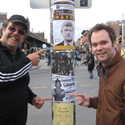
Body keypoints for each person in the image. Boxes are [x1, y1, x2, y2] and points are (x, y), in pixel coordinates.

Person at [0, 14, 52, 125]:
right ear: (3, 30)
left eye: (21, 32)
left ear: (23, 38)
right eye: (12, 28)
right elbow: (2, 76)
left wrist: (32, 98)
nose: (16, 33)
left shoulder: (20, 56)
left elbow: (20, 83)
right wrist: (28, 62)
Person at [70, 24, 125, 125]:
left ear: (114, 43)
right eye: (95, 45)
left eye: (103, 43)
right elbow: (112, 102)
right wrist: (91, 102)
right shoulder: (104, 68)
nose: (99, 48)